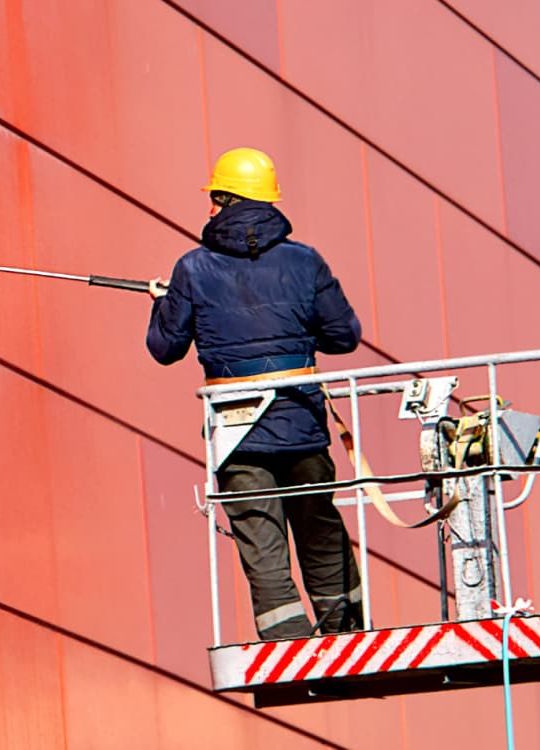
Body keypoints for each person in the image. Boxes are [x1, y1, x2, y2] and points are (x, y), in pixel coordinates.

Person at [146, 147, 365, 640]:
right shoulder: (305, 262)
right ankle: (345, 631)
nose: (208, 207)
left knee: (261, 540)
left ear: (225, 200)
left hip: (236, 431)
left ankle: (288, 643)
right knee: (318, 525)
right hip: (302, 423)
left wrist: (163, 305)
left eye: (213, 197)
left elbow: (164, 348)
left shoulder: (192, 269)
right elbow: (343, 336)